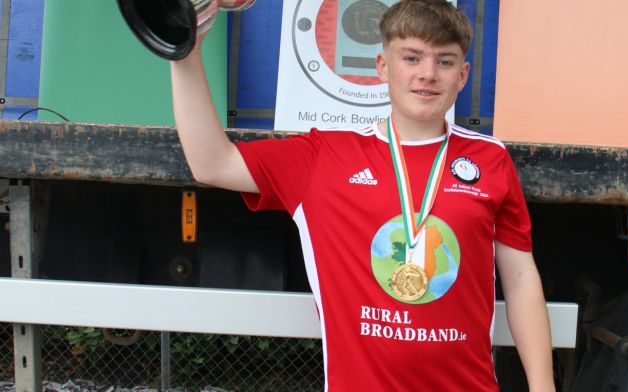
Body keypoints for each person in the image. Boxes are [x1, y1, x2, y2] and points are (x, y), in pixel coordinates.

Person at [170, 0, 555, 390]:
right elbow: (212, 163)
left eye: (445, 61)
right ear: (383, 67)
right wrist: (184, 53)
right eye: (411, 57)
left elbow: (521, 279)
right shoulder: (324, 158)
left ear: (463, 75)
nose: (427, 74)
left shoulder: (490, 159)